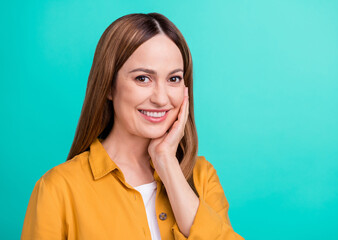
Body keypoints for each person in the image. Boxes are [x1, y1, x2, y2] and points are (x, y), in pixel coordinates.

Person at [21, 12, 245, 240]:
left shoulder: (202, 177)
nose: (161, 98)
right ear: (108, 86)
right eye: (143, 78)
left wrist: (166, 162)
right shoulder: (57, 189)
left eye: (174, 79)